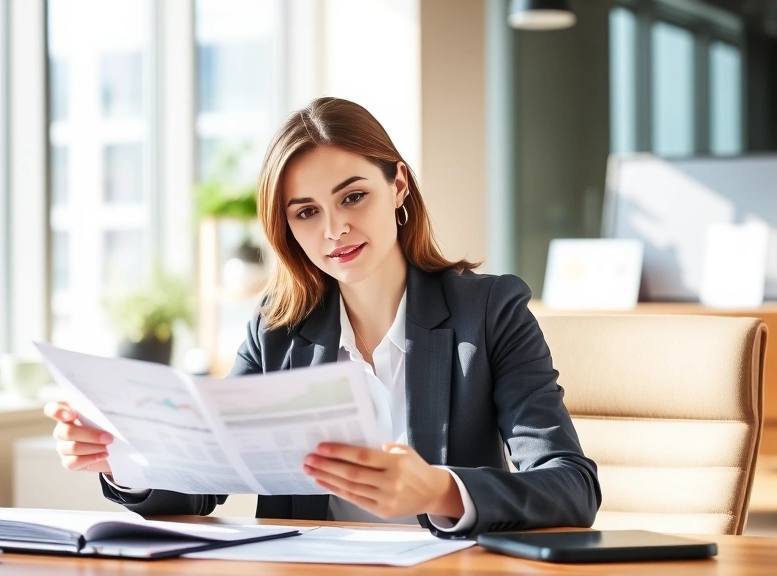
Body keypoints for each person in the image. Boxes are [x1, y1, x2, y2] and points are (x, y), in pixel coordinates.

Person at [44, 97, 601, 538]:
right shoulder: (276, 329)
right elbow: (204, 483)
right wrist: (123, 460)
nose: (333, 230)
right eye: (306, 212)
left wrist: (439, 490)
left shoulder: (490, 311)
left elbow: (572, 488)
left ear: (398, 185)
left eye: (353, 197)